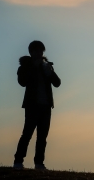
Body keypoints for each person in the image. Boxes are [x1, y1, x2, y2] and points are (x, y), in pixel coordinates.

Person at [13, 40, 61, 170]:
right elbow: (22, 82)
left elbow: (57, 83)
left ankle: (39, 163)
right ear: (31, 52)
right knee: (27, 134)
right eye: (36, 50)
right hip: (32, 106)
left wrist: (49, 72)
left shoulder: (46, 66)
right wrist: (33, 67)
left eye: (41, 50)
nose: (39, 53)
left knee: (42, 137)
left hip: (46, 106)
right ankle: (18, 161)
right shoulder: (25, 66)